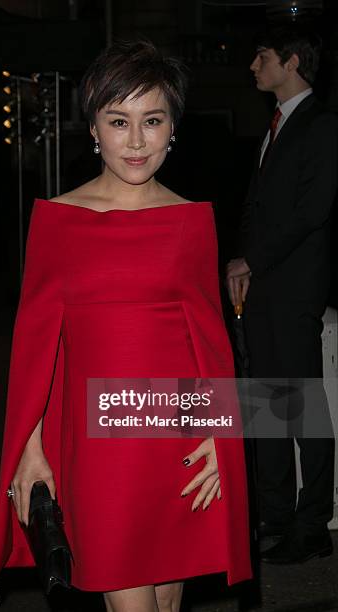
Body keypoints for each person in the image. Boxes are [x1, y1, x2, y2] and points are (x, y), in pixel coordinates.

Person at [0, 40, 251, 611]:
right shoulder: (57, 222)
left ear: (172, 127)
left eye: (151, 121)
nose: (135, 141)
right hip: (99, 453)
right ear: (94, 128)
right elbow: (36, 351)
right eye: (119, 121)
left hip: (177, 441)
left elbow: (211, 345)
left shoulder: (190, 220)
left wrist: (220, 437)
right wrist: (30, 451)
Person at [226, 25, 336, 564]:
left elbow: (310, 213)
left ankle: (312, 524)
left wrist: (255, 260)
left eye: (262, 55)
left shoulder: (321, 124)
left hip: (295, 289)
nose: (253, 65)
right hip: (265, 285)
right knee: (264, 405)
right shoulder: (273, 127)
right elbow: (256, 206)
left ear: (291, 62)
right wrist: (241, 263)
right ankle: (274, 516)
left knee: (302, 411)